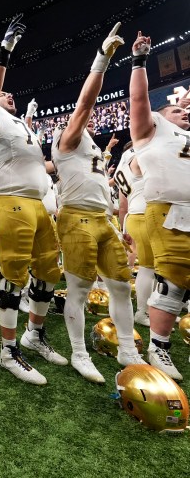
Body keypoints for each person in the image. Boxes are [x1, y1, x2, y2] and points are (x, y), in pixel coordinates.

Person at [0, 15, 66, 385]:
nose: (9, 95)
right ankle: (8, 351)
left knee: (48, 273)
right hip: (10, 201)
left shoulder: (23, 125)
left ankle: (34, 333)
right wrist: (3, 53)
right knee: (14, 276)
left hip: (38, 204)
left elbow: (36, 163)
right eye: (5, 94)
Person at [52, 22, 145, 384]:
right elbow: (85, 103)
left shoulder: (90, 146)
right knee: (78, 288)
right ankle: (78, 352)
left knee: (120, 286)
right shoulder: (68, 139)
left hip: (103, 219)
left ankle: (127, 348)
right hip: (76, 218)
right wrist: (101, 60)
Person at [128, 30, 190, 381]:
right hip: (168, 209)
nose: (183, 113)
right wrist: (139, 61)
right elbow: (138, 102)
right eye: (176, 110)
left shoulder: (185, 135)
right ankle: (158, 346)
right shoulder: (152, 130)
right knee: (172, 277)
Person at [114, 142, 154, 327]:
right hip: (146, 214)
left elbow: (123, 206)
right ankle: (143, 311)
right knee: (150, 267)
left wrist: (124, 230)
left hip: (133, 215)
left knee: (151, 267)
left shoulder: (122, 166)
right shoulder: (139, 157)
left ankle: (149, 308)